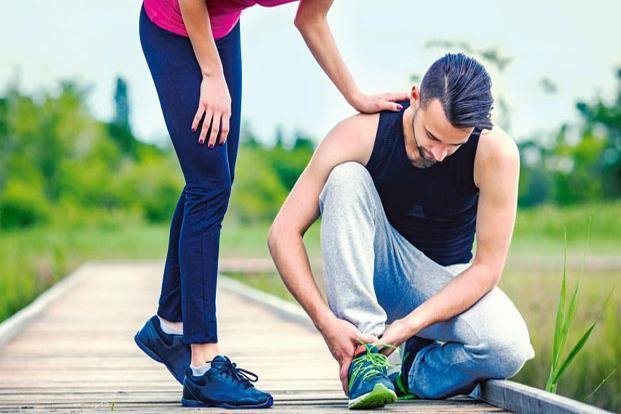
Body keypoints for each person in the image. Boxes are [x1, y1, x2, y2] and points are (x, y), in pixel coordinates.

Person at [133, 0, 408, 409]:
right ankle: (203, 366)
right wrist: (211, 74)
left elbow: (310, 18)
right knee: (209, 185)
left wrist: (356, 96)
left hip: (221, 30)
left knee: (210, 182)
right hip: (172, 23)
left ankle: (170, 326)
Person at [268, 53, 535, 410]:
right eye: (432, 135)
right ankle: (365, 357)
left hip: (441, 281)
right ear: (415, 98)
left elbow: (487, 269)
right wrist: (325, 322)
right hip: (376, 272)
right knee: (346, 177)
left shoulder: (496, 153)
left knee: (509, 347)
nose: (439, 153)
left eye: (453, 145)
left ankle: (414, 373)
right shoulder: (360, 132)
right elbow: (282, 233)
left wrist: (409, 327)